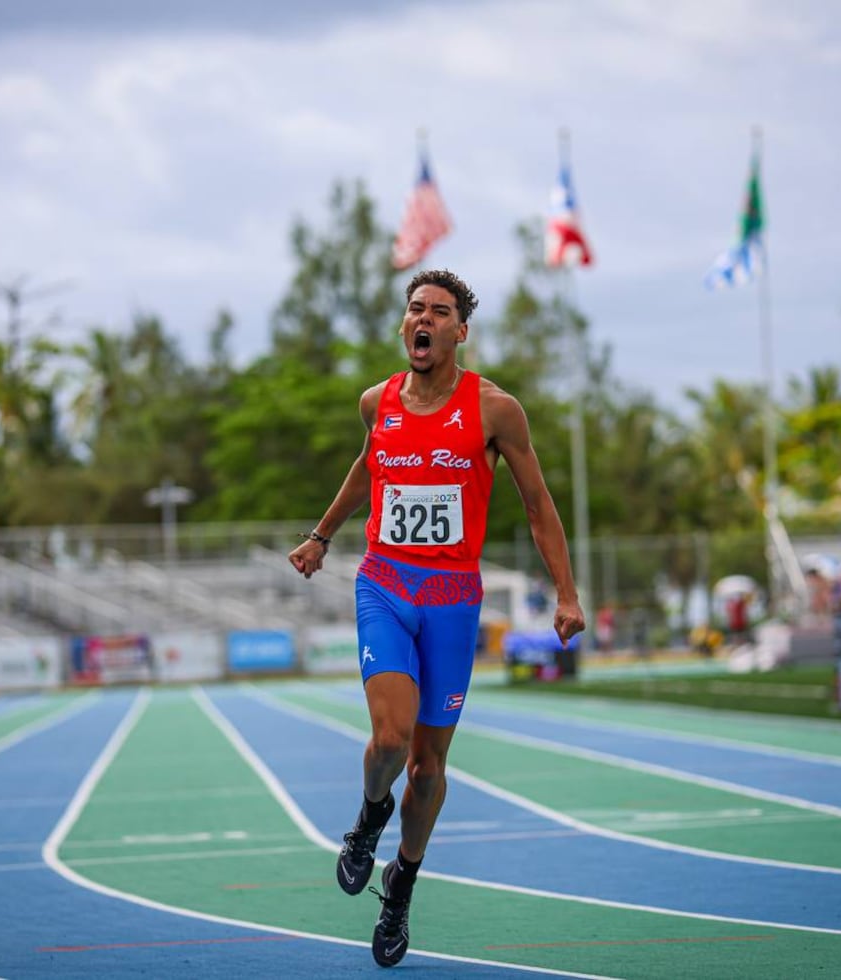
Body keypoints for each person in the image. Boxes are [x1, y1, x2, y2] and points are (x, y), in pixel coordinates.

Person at [288, 268, 585, 967]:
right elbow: (368, 468)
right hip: (386, 585)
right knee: (389, 741)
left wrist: (566, 594)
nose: (424, 319)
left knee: (427, 769)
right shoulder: (377, 402)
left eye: (440, 312)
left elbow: (539, 506)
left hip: (453, 600)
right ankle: (367, 821)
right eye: (415, 308)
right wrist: (322, 534)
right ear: (404, 325)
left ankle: (402, 886)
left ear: (459, 331)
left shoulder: (494, 410)